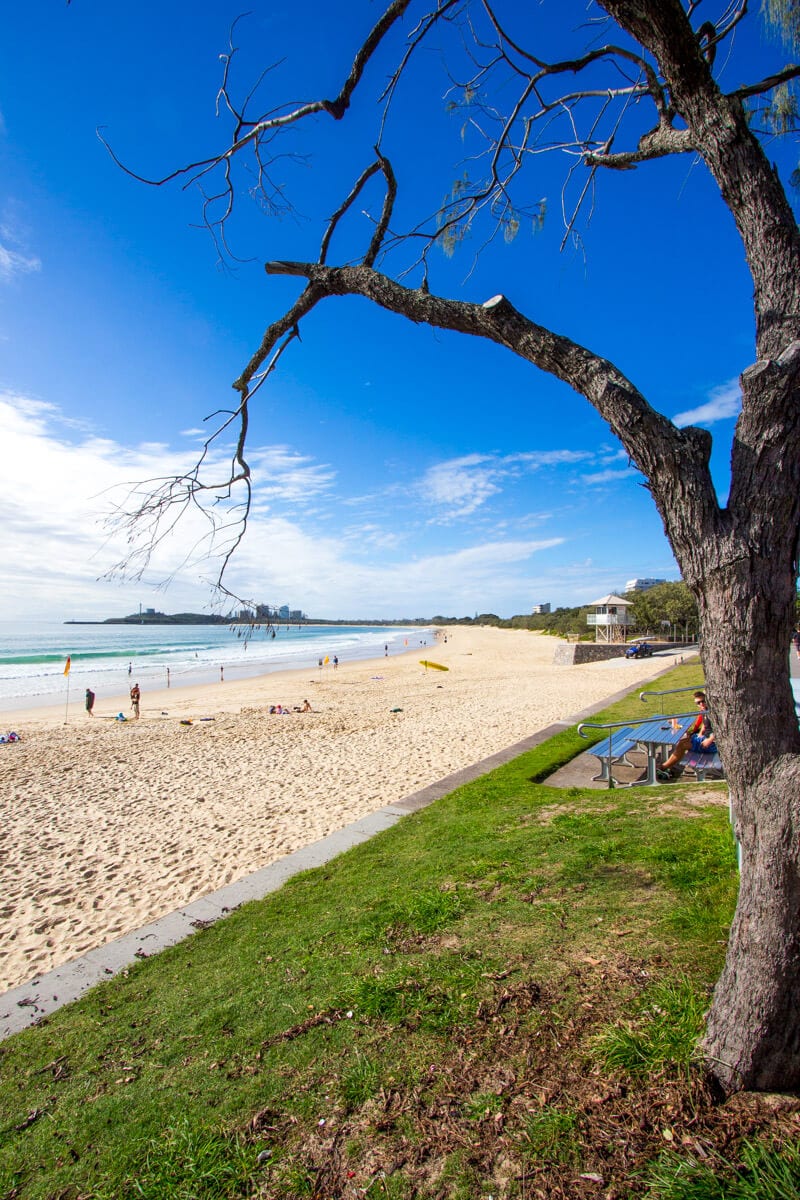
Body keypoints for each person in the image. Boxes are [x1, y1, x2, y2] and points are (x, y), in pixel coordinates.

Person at [657, 690, 716, 779]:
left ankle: (663, 767)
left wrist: (709, 739)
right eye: (698, 703)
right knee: (682, 741)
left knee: (682, 745)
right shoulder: (705, 711)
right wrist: (698, 734)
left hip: (711, 743)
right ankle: (666, 767)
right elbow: (705, 726)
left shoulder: (713, 712)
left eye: (703, 701)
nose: (701, 704)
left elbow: (721, 730)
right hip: (704, 738)